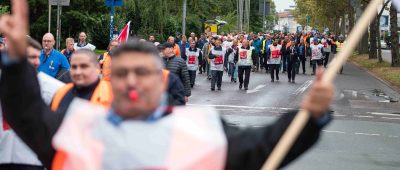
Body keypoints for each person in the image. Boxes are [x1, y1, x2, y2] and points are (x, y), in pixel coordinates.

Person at [0, 2, 334, 169]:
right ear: (111, 79)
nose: (132, 80)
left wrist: (309, 117)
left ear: (160, 79)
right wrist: (16, 63)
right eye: (122, 72)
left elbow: (264, 148)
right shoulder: (79, 127)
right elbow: (26, 113)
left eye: (142, 72)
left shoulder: (199, 130)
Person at [0, 36, 46, 170]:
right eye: (32, 57)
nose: (37, 62)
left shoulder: (50, 86)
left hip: (33, 160)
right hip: (4, 155)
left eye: (38, 57)